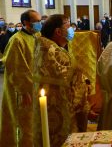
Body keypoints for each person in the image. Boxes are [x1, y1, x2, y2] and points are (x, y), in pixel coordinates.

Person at [32, 14, 79, 146]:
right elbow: (75, 78)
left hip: (48, 108)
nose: (71, 29)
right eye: (68, 25)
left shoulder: (44, 47)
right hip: (59, 111)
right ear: (58, 31)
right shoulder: (53, 52)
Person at [0, 10, 41, 146]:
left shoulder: (37, 36)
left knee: (34, 122)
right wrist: (24, 91)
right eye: (36, 21)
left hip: (35, 87)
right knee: (23, 123)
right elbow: (16, 68)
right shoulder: (16, 40)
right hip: (21, 90)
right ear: (26, 23)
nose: (39, 24)